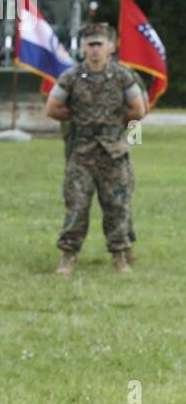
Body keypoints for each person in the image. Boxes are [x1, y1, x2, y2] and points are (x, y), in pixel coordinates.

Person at [46, 22, 145, 274]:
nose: (94, 50)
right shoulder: (71, 77)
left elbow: (137, 110)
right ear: (82, 48)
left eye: (99, 44)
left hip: (113, 152)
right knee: (76, 204)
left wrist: (113, 126)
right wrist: (80, 119)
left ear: (110, 47)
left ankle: (120, 255)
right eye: (89, 45)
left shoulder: (123, 76)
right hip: (81, 152)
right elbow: (53, 108)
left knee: (117, 205)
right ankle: (68, 256)